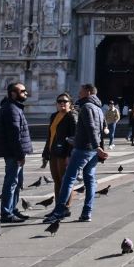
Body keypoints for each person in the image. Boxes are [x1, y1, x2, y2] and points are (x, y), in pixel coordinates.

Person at [45, 83, 105, 223]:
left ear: (88, 92)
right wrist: (99, 147)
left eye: (81, 91)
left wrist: (96, 146)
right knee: (89, 180)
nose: (79, 93)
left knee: (68, 178)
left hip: (84, 148)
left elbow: (90, 127)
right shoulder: (99, 108)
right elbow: (103, 129)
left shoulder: (86, 107)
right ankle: (87, 212)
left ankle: (60, 210)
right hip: (92, 151)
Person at [0, 82, 33, 222]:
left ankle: (12, 209)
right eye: (23, 91)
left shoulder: (15, 108)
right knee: (11, 182)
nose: (26, 93)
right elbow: (14, 135)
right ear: (13, 93)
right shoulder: (11, 109)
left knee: (15, 182)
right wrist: (20, 155)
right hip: (13, 153)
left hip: (14, 152)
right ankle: (6, 213)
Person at [41, 93, 78, 216]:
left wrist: (69, 154)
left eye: (65, 101)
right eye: (59, 101)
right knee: (57, 181)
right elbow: (50, 135)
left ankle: (65, 207)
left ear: (70, 104)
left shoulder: (72, 116)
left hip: (64, 153)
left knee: (65, 181)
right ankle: (58, 207)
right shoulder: (54, 116)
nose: (62, 103)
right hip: (54, 152)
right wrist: (46, 152)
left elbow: (74, 137)